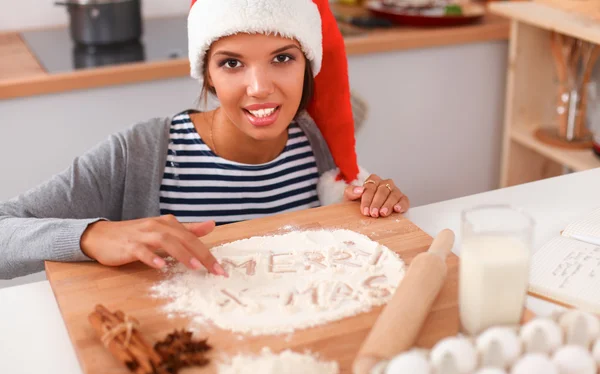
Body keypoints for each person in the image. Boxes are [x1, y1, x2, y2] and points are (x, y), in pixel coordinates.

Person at [0, 0, 409, 280]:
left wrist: (374, 198)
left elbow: (351, 110)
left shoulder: (318, 139)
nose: (259, 88)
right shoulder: (138, 155)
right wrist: (91, 235)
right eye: (232, 63)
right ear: (207, 73)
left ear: (307, 66)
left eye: (282, 58)